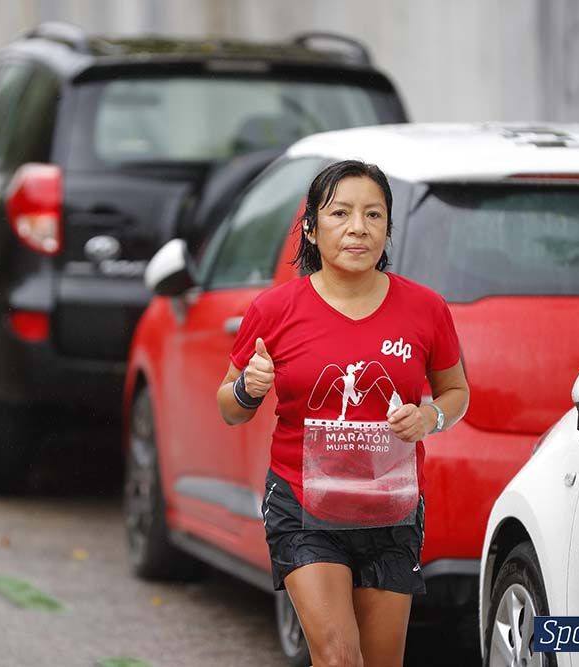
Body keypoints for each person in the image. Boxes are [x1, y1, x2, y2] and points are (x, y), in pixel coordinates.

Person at [216, 160, 470, 667]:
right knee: (338, 656)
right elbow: (230, 408)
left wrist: (430, 418)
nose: (358, 227)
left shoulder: (425, 309)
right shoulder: (275, 309)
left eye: (373, 215)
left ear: (387, 229)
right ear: (311, 228)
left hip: (391, 508)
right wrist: (248, 388)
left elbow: (455, 392)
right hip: (303, 505)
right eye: (340, 213)